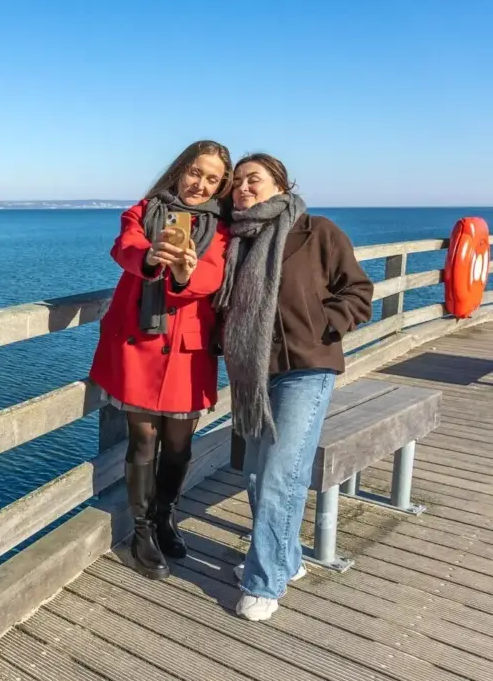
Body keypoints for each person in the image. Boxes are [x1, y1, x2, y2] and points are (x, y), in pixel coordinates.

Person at [215, 153, 374, 621]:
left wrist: (325, 324)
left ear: (281, 187)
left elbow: (358, 291)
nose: (243, 188)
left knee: (280, 474)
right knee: (255, 473)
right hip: (253, 373)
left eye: (254, 179)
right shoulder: (236, 241)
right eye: (237, 182)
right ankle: (288, 561)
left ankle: (264, 582)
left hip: (306, 366)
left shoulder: (316, 231)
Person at [89, 140, 232, 580]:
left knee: (179, 444)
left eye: (212, 179)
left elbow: (214, 274)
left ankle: (166, 515)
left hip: (188, 349)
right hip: (140, 344)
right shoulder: (143, 210)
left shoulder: (223, 228)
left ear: (221, 185)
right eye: (195, 172)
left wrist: (187, 273)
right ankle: (143, 531)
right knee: (143, 440)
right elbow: (125, 246)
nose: (200, 184)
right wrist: (149, 256)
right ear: (180, 170)